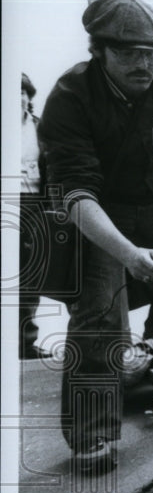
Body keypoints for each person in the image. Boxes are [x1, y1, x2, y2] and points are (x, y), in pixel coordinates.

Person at [37, 0, 153, 473]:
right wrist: (127, 254)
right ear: (99, 51)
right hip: (101, 206)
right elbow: (76, 194)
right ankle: (92, 434)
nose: (144, 63)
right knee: (100, 310)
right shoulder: (69, 97)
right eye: (128, 53)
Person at [19, 72, 46, 359]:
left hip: (34, 206)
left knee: (30, 277)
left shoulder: (41, 129)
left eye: (21, 91)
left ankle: (26, 343)